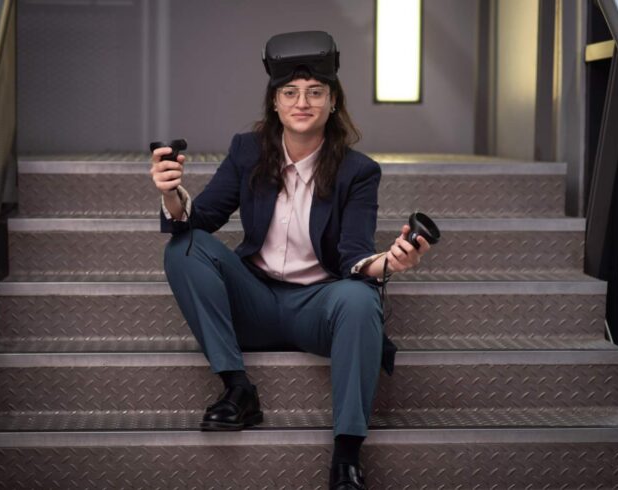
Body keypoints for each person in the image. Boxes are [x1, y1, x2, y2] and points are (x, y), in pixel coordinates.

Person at [150, 31, 430, 490]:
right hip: (253, 299)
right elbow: (198, 220)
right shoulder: (247, 150)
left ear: (333, 102)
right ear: (275, 104)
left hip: (316, 306)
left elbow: (354, 257)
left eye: (316, 92)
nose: (303, 102)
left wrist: (391, 263)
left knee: (360, 301)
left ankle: (347, 456)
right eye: (290, 93)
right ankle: (239, 389)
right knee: (184, 247)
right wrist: (170, 194)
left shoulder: (359, 171)